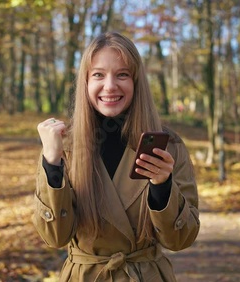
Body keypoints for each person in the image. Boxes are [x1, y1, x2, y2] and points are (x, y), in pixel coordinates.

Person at [33, 32, 199, 281]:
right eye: (98, 74)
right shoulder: (62, 145)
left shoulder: (169, 147)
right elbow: (54, 237)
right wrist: (52, 165)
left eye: (122, 74)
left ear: (136, 82)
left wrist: (163, 187)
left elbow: (180, 240)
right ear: (86, 82)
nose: (110, 86)